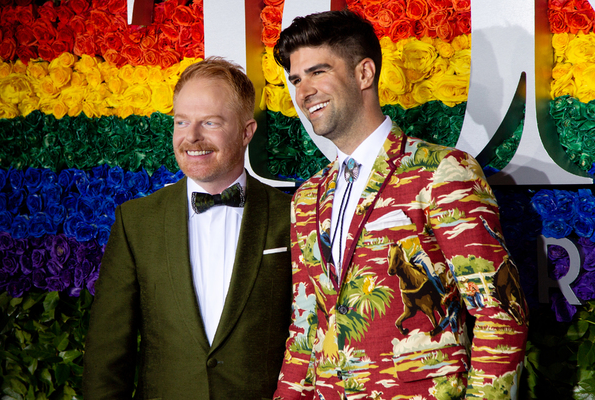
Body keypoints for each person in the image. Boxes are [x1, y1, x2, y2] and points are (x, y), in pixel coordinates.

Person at [272, 10, 529, 400]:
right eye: (295, 79)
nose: (303, 91)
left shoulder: (441, 171)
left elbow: (501, 314)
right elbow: (305, 328)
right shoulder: (307, 197)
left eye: (318, 72)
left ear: (364, 74)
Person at [83, 57, 293, 400]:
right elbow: (107, 357)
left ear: (246, 132)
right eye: (182, 122)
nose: (191, 137)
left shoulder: (292, 216)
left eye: (210, 122)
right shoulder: (136, 221)